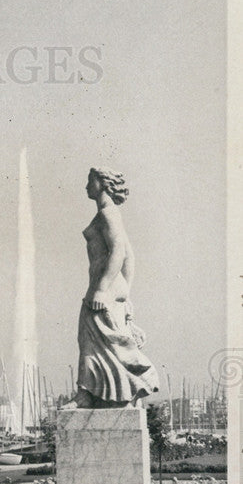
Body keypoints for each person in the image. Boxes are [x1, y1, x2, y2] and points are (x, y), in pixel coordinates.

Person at [66, 168, 159, 408]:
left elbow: (119, 251)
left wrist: (103, 288)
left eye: (90, 180)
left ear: (103, 183)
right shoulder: (110, 214)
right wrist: (124, 292)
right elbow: (130, 255)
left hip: (102, 287)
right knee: (107, 342)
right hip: (110, 287)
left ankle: (86, 396)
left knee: (90, 341)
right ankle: (104, 394)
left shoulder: (108, 213)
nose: (87, 186)